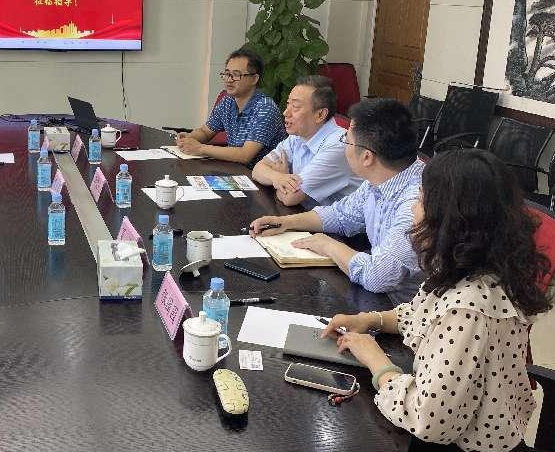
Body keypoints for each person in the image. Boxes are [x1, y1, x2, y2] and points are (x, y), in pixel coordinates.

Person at [321, 149, 552, 452]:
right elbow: (418, 315)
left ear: (448, 217)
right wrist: (373, 320)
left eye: (420, 199)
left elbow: (429, 420)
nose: (413, 209)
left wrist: (377, 362)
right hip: (457, 447)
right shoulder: (474, 269)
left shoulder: (468, 308)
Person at [249, 98, 423, 304]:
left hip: (407, 310)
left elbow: (378, 277)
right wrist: (285, 223)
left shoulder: (415, 202)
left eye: (346, 140)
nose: (343, 145)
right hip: (383, 300)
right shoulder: (380, 178)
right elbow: (341, 215)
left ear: (367, 157)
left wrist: (328, 245)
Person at [252, 75, 360, 208]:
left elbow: (290, 198)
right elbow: (258, 169)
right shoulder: (298, 135)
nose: (286, 113)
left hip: (333, 220)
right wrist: (278, 178)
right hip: (304, 213)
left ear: (320, 115)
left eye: (295, 107)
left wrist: (283, 177)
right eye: (288, 104)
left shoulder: (338, 145)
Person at [175, 46, 284, 165]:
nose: (229, 80)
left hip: (262, 174)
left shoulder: (265, 108)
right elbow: (205, 132)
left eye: (236, 75)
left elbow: (245, 155)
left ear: (254, 79)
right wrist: (189, 139)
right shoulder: (228, 101)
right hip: (234, 169)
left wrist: (200, 148)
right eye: (227, 74)